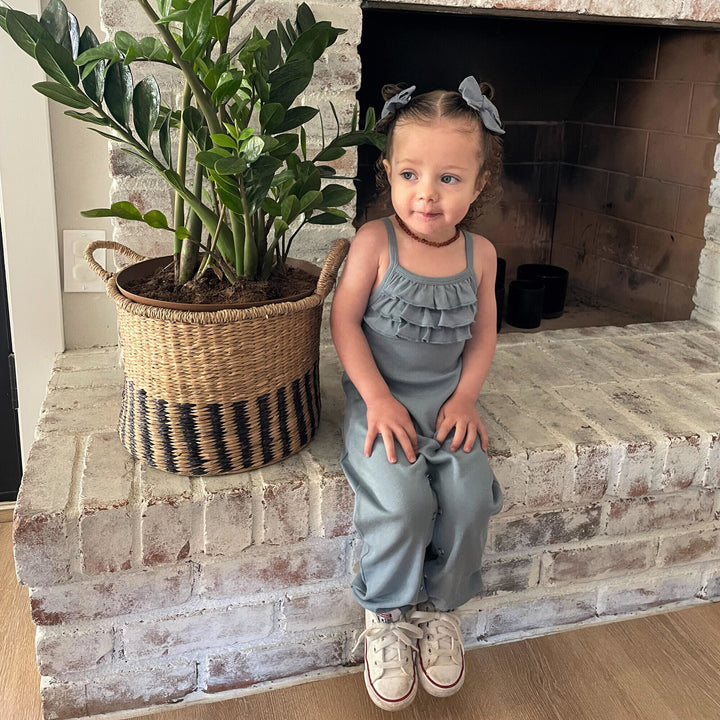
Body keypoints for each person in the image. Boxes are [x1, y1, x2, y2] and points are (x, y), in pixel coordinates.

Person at [330, 76, 506, 712]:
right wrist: (375, 398)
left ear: (479, 183)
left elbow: (484, 335)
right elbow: (343, 321)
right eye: (410, 173)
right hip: (384, 404)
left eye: (450, 179)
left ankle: (441, 608)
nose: (426, 194)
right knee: (402, 502)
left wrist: (466, 398)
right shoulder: (376, 243)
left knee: (467, 496)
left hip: (447, 403)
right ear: (387, 173)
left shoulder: (482, 255)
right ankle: (387, 612)